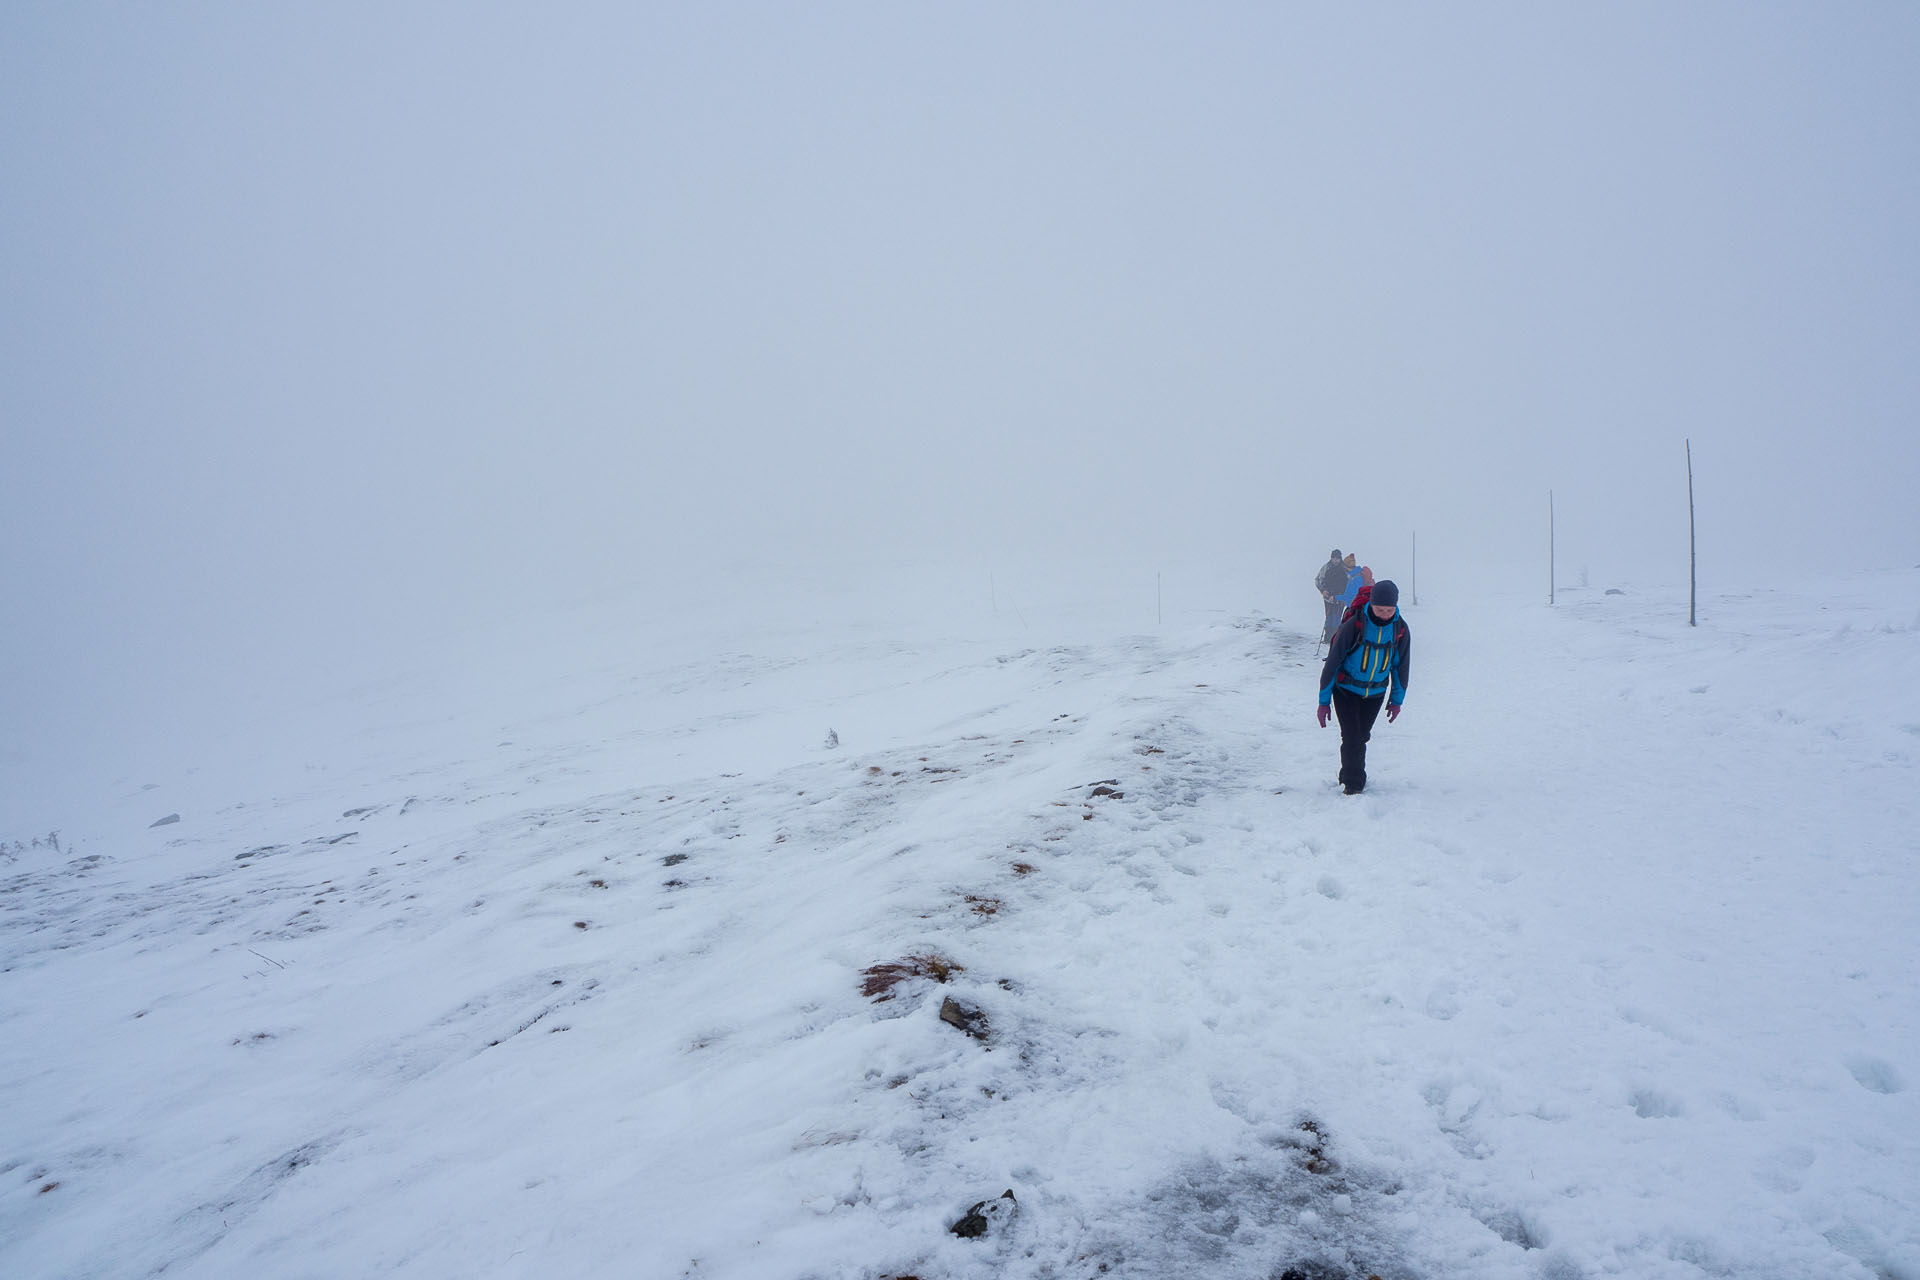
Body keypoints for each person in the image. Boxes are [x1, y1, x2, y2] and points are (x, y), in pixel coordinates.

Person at [1316, 579, 1409, 795]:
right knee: (1351, 737)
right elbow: (1333, 663)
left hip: (1375, 693)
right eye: (1379, 609)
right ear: (1371, 605)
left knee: (1361, 736)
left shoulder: (1400, 629)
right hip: (1345, 690)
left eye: (1389, 609)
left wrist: (1396, 700)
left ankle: (1347, 773)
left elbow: (1401, 667)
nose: (1384, 614)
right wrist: (1324, 702)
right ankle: (1354, 784)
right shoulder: (1354, 625)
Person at [1314, 549, 1347, 643]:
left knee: (1337, 617)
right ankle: (1327, 637)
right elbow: (1318, 580)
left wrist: (1341, 595)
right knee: (1328, 617)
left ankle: (1335, 637)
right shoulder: (1326, 567)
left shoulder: (1344, 568)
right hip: (1328, 597)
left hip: (1340, 598)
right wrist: (1323, 590)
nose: (1335, 560)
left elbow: (1347, 584)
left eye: (1337, 558)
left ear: (1340, 559)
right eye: (1334, 558)